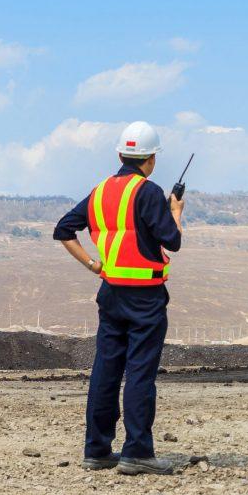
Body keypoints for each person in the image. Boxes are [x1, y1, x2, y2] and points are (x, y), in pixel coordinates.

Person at [53, 121, 184, 475]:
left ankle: (96, 451)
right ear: (151, 159)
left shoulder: (98, 192)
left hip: (110, 294)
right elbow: (172, 241)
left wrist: (94, 265)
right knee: (140, 372)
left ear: (120, 154)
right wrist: (176, 212)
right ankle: (138, 452)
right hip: (145, 299)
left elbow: (63, 230)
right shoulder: (149, 192)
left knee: (106, 371)